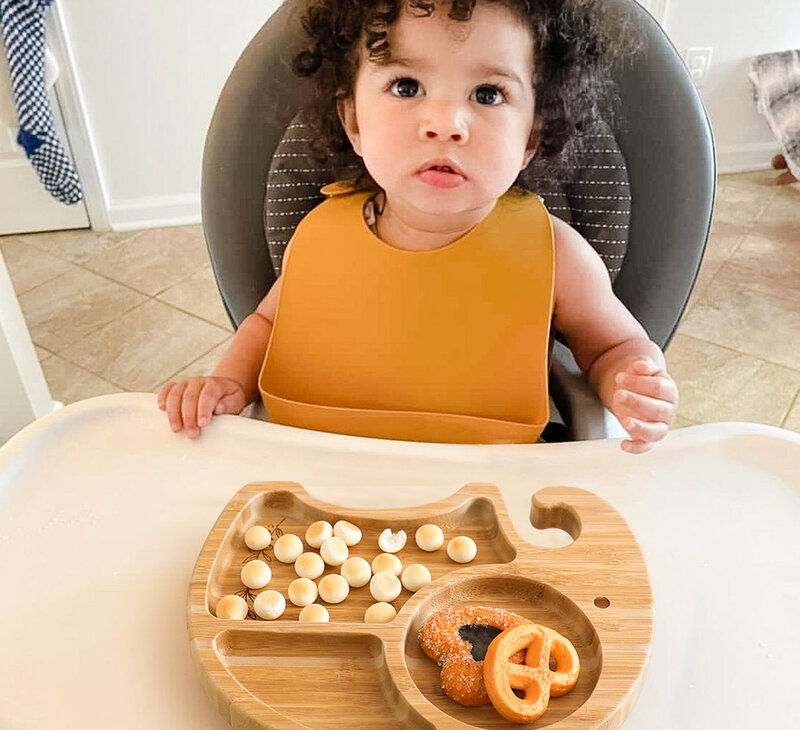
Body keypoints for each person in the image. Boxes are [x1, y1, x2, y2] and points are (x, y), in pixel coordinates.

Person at [159, 0, 679, 453]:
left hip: (491, 494)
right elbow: (267, 326)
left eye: (489, 94)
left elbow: (613, 346)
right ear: (354, 122)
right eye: (406, 86)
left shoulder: (558, 255)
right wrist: (229, 382)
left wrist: (631, 381)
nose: (446, 122)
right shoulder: (319, 234)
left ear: (530, 140)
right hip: (317, 490)